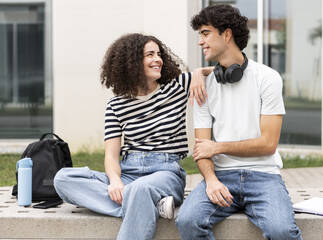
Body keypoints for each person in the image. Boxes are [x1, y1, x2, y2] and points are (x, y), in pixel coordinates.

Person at [54, 33, 211, 240]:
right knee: (63, 179)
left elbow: (227, 69)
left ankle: (142, 201)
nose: (158, 59)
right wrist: (115, 181)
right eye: (150, 55)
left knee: (140, 189)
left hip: (166, 173)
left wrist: (200, 72)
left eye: (158, 54)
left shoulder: (178, 86)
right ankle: (151, 205)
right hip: (129, 173)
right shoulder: (116, 105)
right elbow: (111, 156)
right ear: (133, 62)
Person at [176, 4, 303, 240]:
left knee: (281, 231)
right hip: (221, 176)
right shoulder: (204, 85)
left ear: (226, 34)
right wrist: (211, 181)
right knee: (187, 221)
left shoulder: (268, 78)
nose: (200, 41)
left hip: (264, 176)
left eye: (205, 33)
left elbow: (268, 145)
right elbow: (202, 149)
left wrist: (219, 147)